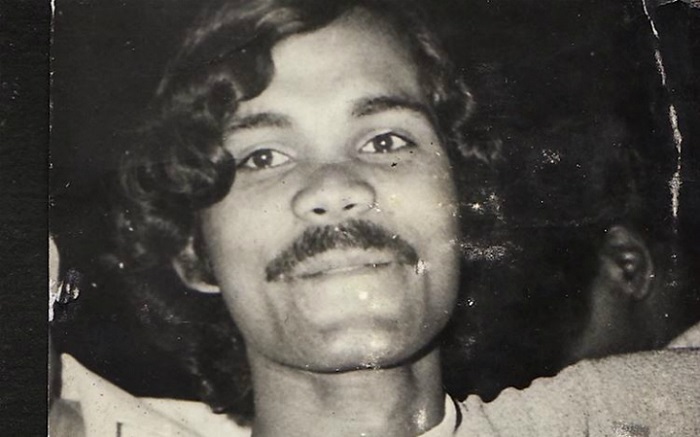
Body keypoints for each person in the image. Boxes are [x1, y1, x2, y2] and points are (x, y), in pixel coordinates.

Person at [51, 0, 700, 436]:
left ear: (465, 205)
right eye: (264, 156)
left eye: (386, 141)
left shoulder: (635, 415)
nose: (334, 187)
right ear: (194, 252)